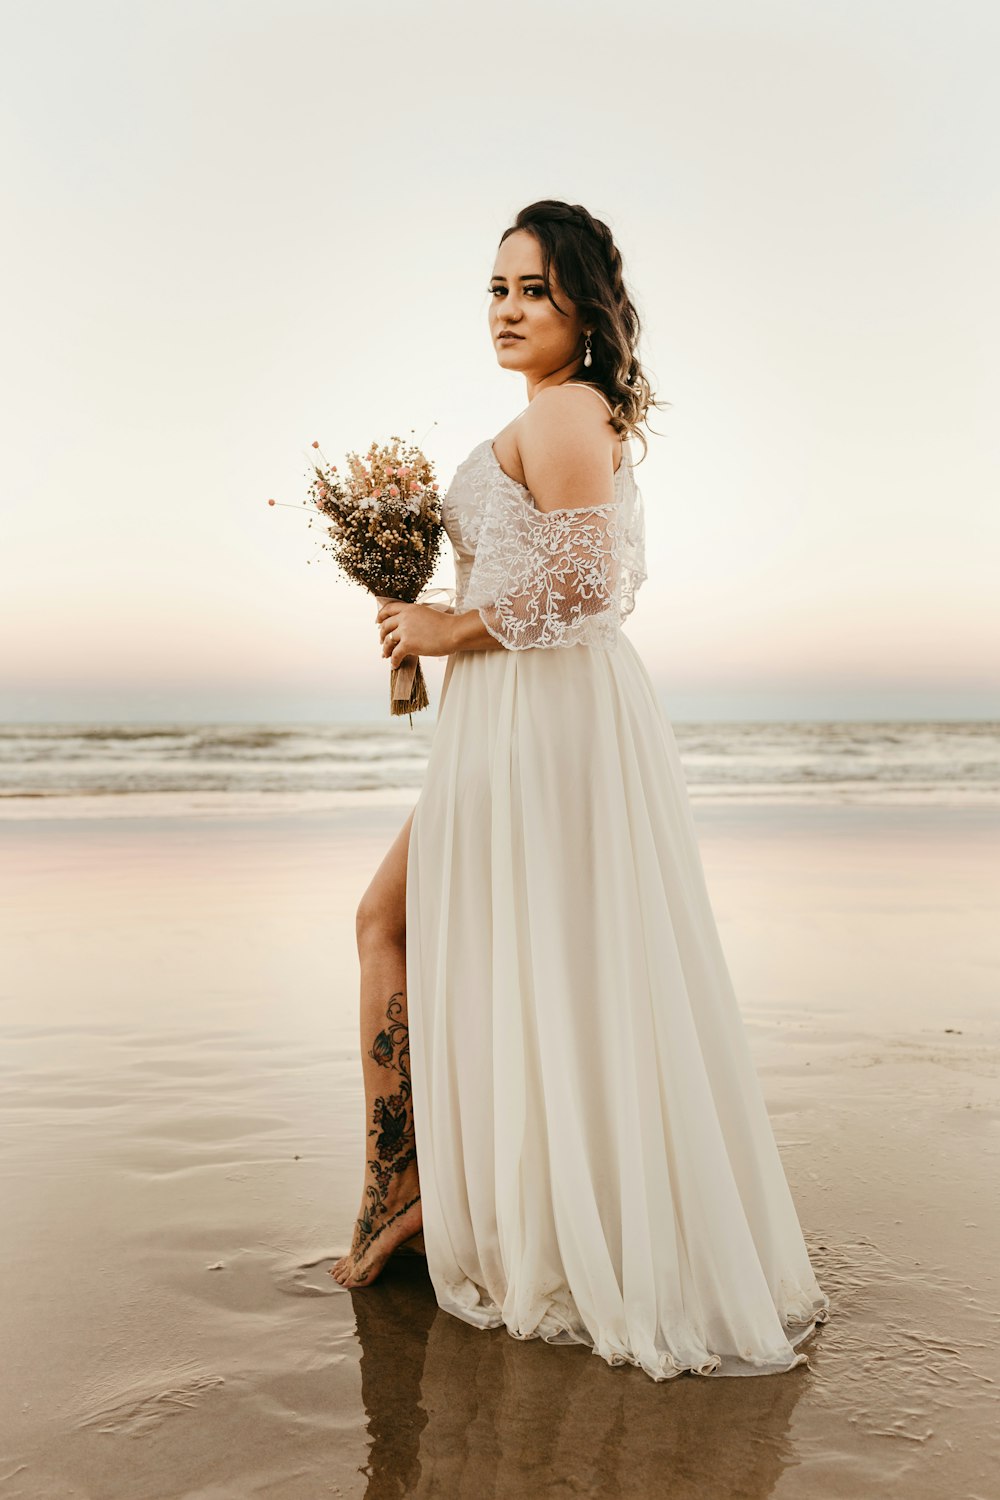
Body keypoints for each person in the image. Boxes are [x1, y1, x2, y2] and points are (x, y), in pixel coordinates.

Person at [331, 199, 831, 1380]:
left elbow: (587, 584)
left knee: (396, 923)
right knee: (479, 942)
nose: (508, 310)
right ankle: (423, 1188)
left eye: (535, 292)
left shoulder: (564, 410)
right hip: (522, 715)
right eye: (497, 290)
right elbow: (541, 573)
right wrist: (427, 623)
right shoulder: (554, 412)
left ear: (584, 309)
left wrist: (447, 625)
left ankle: (403, 1193)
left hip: (543, 716)